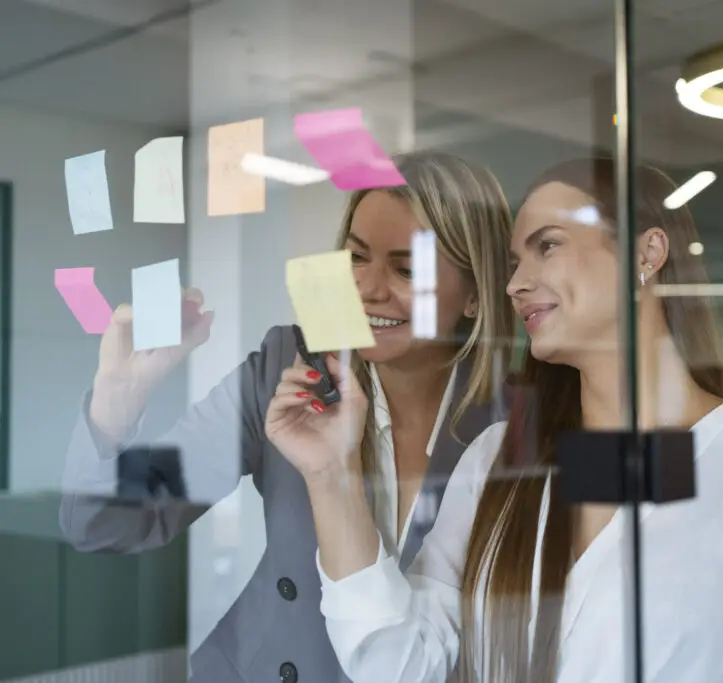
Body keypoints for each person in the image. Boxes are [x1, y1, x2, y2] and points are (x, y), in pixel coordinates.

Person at [279, 158, 723, 683]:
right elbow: (398, 666)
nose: (515, 283)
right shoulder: (497, 460)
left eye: (548, 246)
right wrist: (330, 474)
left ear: (647, 253)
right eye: (514, 261)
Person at [58, 151, 517, 683]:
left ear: (476, 296)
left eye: (406, 268)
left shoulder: (511, 423)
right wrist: (118, 396)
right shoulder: (286, 369)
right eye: (356, 257)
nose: (368, 288)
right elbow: (104, 524)